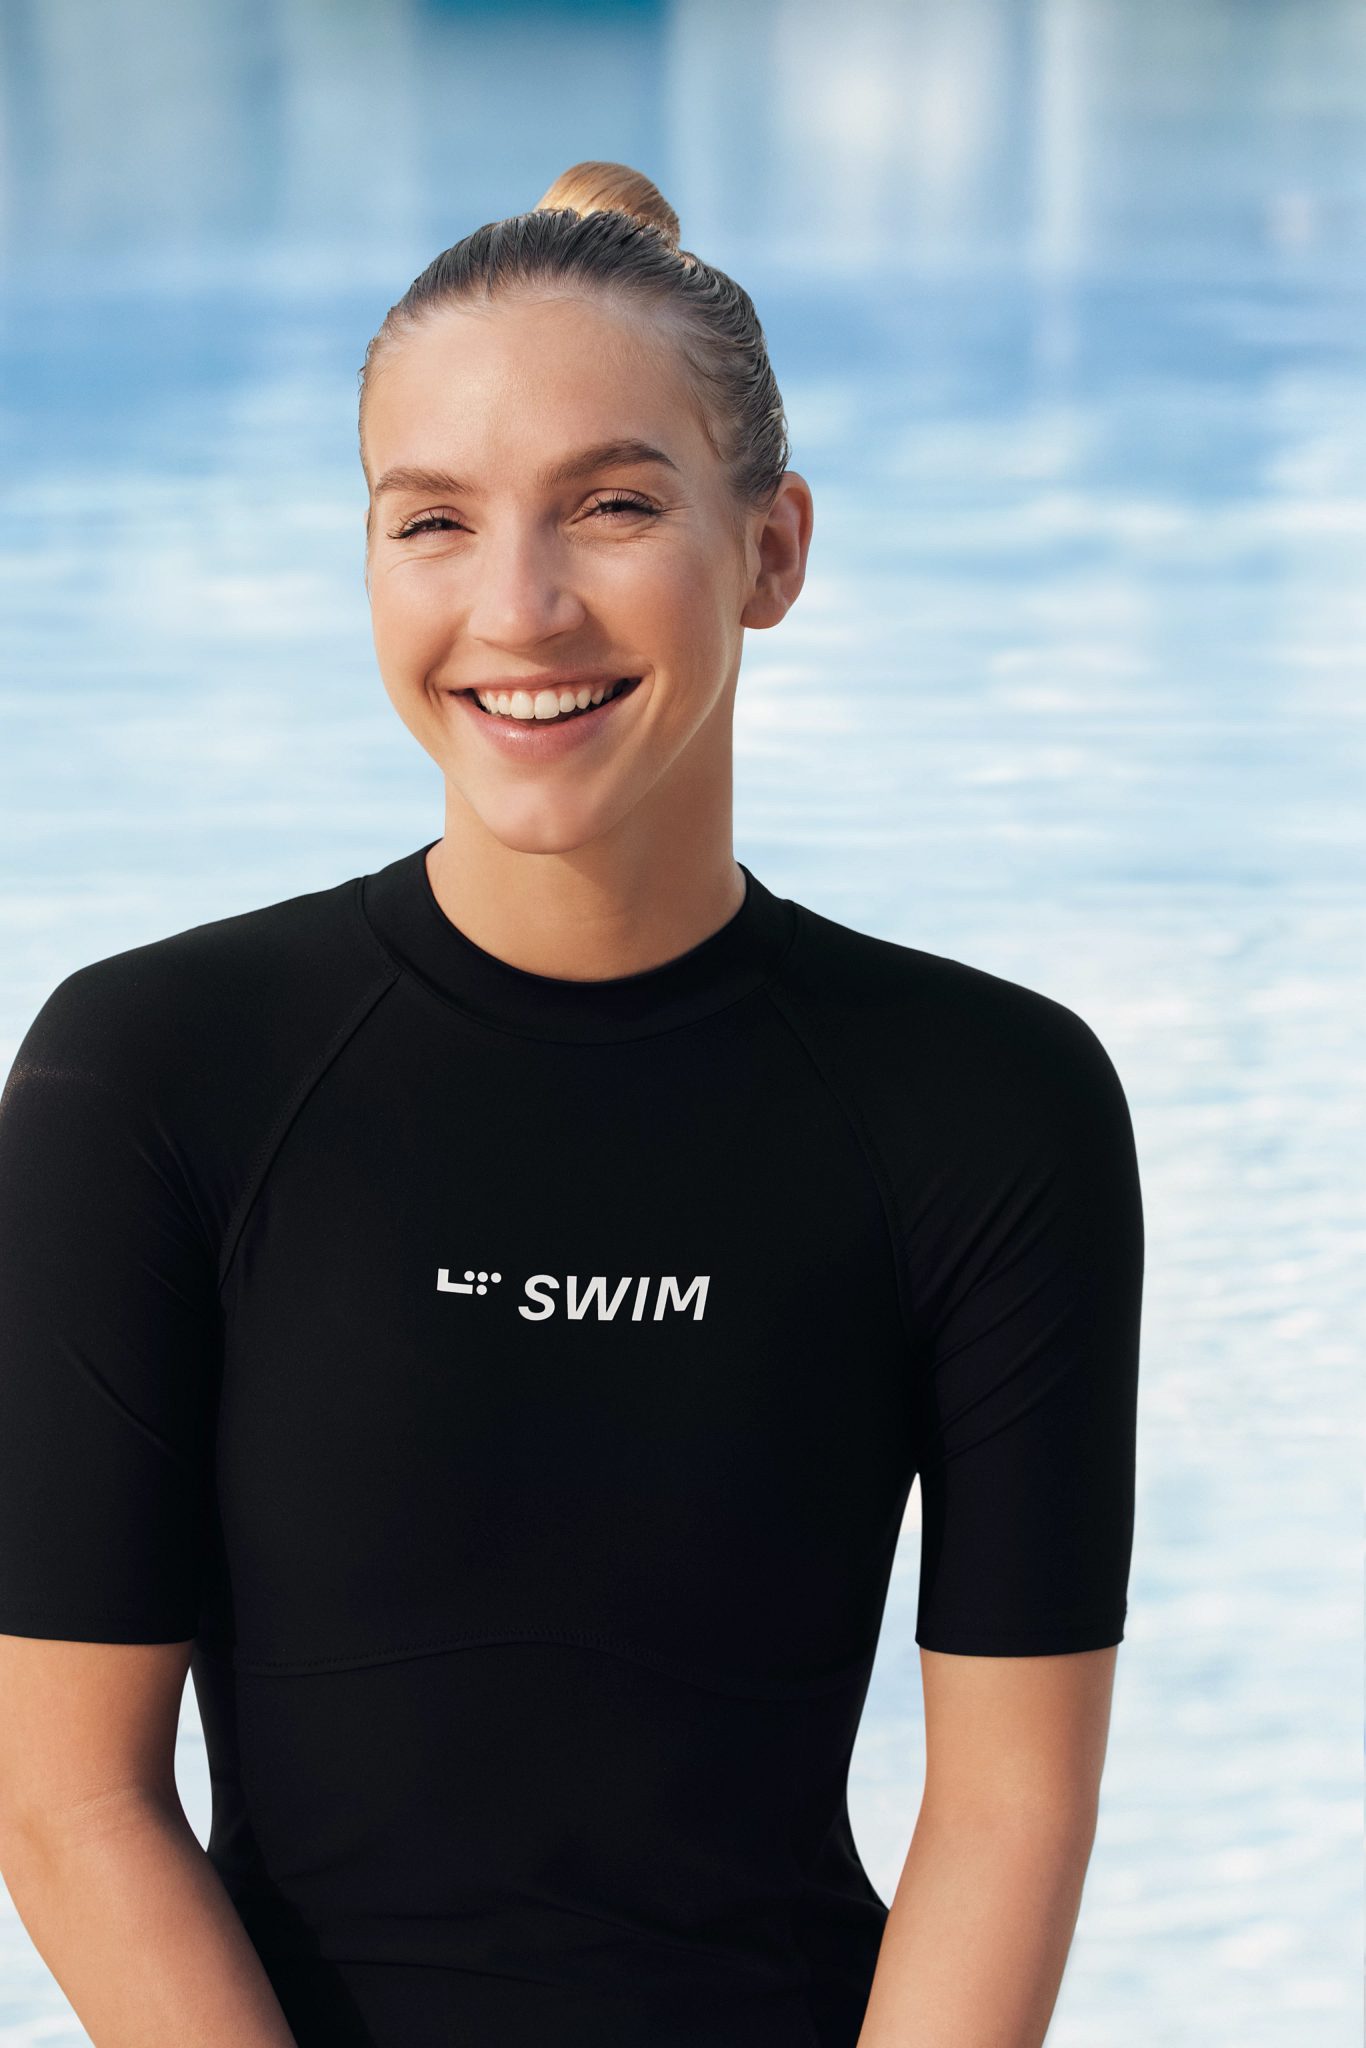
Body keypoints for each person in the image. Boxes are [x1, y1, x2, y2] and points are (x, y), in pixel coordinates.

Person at [0, 161, 1143, 2048]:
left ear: (771, 550)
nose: (517, 607)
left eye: (612, 506)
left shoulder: (987, 1103)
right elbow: (67, 1798)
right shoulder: (150, 1074)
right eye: (430, 522)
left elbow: (1012, 1802)